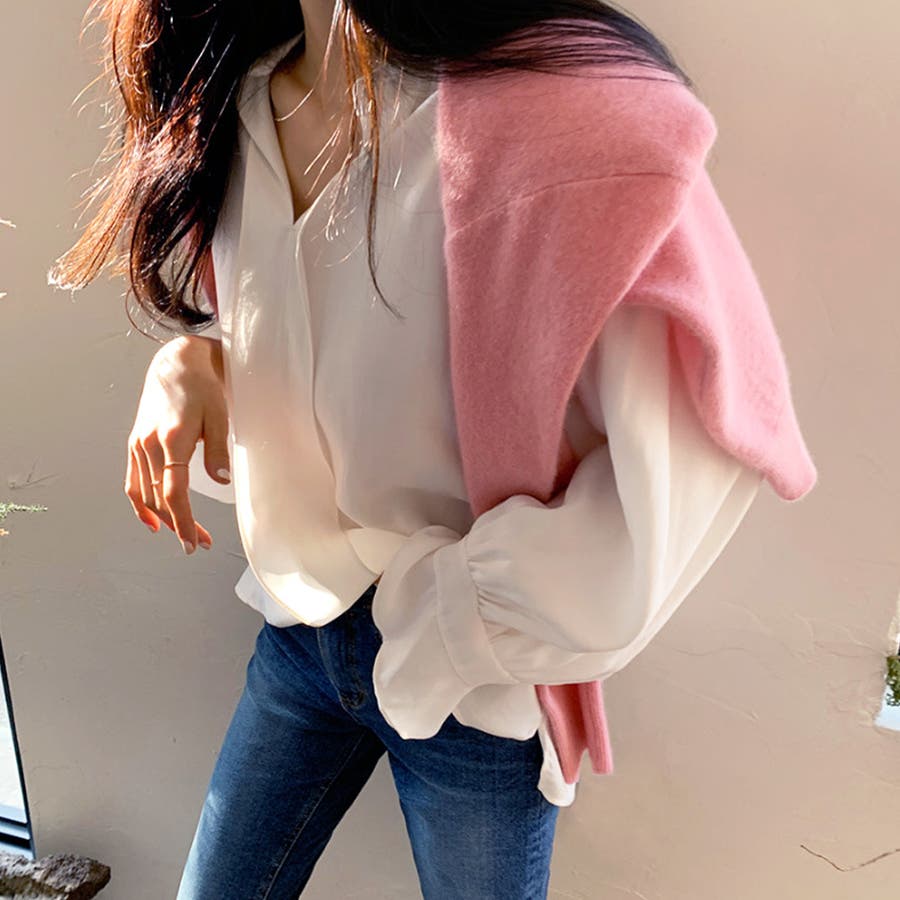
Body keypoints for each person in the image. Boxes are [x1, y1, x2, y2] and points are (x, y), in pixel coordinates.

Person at [50, 1, 817, 897]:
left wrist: (454, 621)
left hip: (471, 690)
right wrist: (196, 363)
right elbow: (314, 339)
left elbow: (687, 458)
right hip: (300, 635)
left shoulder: (563, 117)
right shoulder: (237, 100)